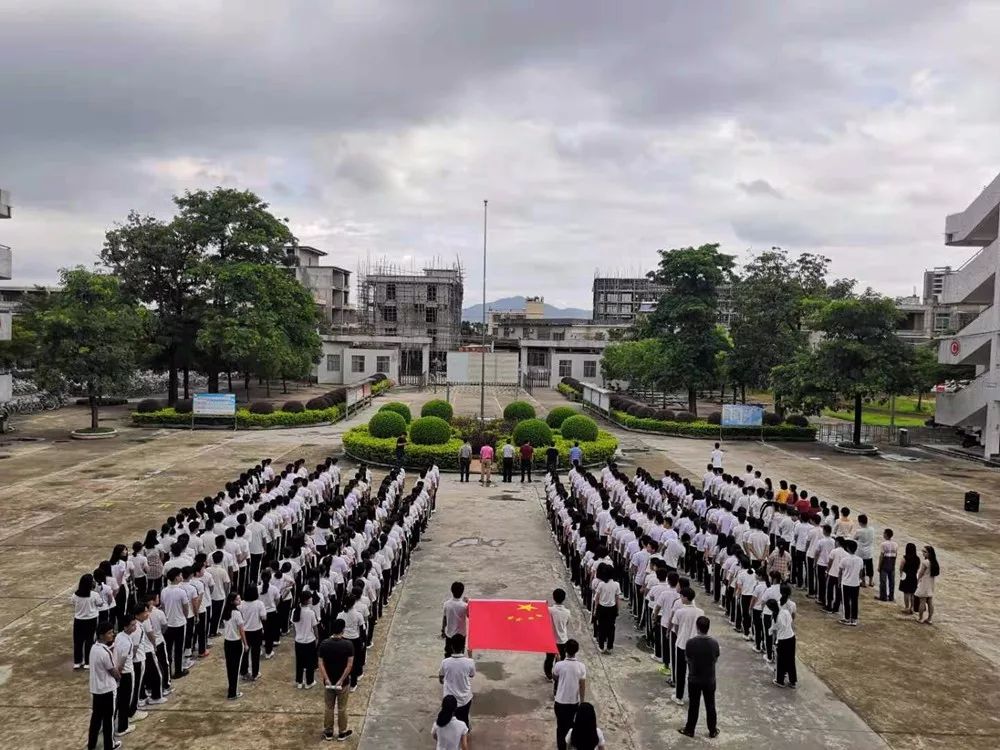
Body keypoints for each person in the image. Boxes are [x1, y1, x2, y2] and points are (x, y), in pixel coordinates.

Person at [678, 616, 720, 739]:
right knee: (710, 705)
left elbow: (687, 659)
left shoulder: (690, 643)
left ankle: (690, 729)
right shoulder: (714, 643)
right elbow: (715, 659)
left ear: (697, 627)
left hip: (694, 678)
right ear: (708, 628)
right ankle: (712, 730)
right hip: (709, 679)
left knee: (694, 705)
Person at [318, 618, 355, 742]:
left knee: (329, 707)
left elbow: (321, 664)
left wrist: (327, 679)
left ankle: (328, 732)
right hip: (342, 683)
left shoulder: (324, 644)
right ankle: (342, 732)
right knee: (342, 708)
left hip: (329, 682)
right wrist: (341, 680)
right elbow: (349, 665)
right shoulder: (348, 645)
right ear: (343, 630)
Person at [87, 621, 120, 750]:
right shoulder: (105, 653)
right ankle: (109, 745)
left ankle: (92, 745)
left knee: (95, 720)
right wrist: (119, 677)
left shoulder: (94, 648)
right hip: (107, 690)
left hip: (96, 689)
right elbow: (113, 671)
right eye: (109, 633)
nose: (112, 635)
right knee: (108, 719)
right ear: (101, 635)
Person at [552, 638, 586, 750]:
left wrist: (557, 661)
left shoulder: (559, 665)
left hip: (560, 701)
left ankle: (561, 747)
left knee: (560, 727)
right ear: (577, 650)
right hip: (573, 702)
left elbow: (555, 677)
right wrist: (582, 702)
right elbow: (582, 685)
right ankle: (570, 745)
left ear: (565, 650)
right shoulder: (581, 667)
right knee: (571, 725)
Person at [439, 634, 476, 731]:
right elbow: (472, 675)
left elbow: (441, 678)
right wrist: (470, 656)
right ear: (463, 647)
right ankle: (465, 735)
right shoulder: (469, 662)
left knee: (450, 723)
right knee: (464, 721)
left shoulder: (445, 662)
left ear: (451, 646)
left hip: (449, 700)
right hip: (465, 699)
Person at [72, 573, 103, 669]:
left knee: (78, 641)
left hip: (79, 620)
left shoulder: (75, 595)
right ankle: (87, 662)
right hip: (91, 620)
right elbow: (100, 604)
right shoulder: (94, 595)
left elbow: (73, 603)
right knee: (89, 640)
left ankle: (77, 662)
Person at [220, 592, 247, 700]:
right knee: (235, 668)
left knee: (230, 667)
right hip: (236, 642)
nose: (239, 600)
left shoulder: (226, 612)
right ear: (232, 601)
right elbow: (241, 630)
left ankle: (231, 689)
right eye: (237, 599)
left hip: (227, 642)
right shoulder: (236, 613)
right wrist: (245, 644)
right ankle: (233, 692)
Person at [591, 563, 622, 654]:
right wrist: (617, 609)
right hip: (612, 608)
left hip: (602, 608)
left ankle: (601, 646)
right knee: (611, 628)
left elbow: (597, 598)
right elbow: (617, 598)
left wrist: (596, 610)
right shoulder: (616, 584)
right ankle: (609, 646)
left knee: (601, 627)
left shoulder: (601, 584)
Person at [292, 590, 319, 688]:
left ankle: (299, 681)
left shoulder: (295, 611)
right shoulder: (310, 613)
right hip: (309, 641)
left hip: (298, 641)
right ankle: (309, 682)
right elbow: (315, 627)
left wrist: (296, 637)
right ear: (307, 600)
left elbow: (294, 627)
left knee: (299, 662)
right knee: (309, 663)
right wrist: (317, 638)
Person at [767, 599, 797, 688]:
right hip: (791, 637)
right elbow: (791, 621)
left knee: (780, 661)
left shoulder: (775, 618)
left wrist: (775, 642)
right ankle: (793, 681)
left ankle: (780, 680)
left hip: (782, 640)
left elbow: (773, 632)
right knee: (791, 660)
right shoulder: (785, 612)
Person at [544, 588, 571, 680]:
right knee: (561, 659)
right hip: (563, 640)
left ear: (553, 597)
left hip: (551, 640)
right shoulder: (567, 612)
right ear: (564, 598)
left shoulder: (549, 610)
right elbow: (567, 623)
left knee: (549, 658)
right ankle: (558, 675)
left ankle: (549, 675)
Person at [441, 581, 469, 657]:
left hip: (450, 634)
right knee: (460, 654)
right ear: (462, 592)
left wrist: (443, 630)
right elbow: (469, 616)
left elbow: (445, 618)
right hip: (461, 634)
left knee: (448, 654)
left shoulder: (447, 604)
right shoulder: (465, 605)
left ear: (451, 591)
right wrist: (468, 603)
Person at [839, 539, 863, 626]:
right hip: (855, 583)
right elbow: (860, 572)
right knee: (854, 601)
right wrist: (859, 580)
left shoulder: (844, 559)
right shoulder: (860, 560)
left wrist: (839, 581)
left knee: (846, 601)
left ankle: (847, 618)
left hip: (846, 583)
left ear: (848, 548)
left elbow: (840, 572)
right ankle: (854, 619)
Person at [914, 545, 940, 625]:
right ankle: (929, 619)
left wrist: (917, 581)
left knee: (922, 601)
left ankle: (921, 618)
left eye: (925, 552)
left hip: (924, 583)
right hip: (931, 583)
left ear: (929, 553)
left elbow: (920, 573)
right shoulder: (934, 562)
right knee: (930, 602)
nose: (923, 553)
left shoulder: (925, 562)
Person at [876, 529, 898, 602]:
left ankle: (883, 596)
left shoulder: (883, 544)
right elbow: (896, 555)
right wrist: (894, 564)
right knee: (892, 581)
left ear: (886, 534)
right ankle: (891, 596)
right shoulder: (895, 544)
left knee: (883, 581)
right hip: (892, 562)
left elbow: (881, 556)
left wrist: (879, 566)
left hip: (885, 562)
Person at [898, 542, 920, 615]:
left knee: (906, 593)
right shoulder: (917, 559)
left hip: (906, 576)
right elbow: (918, 568)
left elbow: (901, 568)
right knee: (912, 593)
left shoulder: (905, 558)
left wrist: (901, 574)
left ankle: (906, 607)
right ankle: (912, 608)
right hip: (913, 576)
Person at [854, 514, 875, 587]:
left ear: (860, 522)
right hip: (869, 551)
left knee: (862, 567)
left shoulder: (859, 531)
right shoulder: (872, 529)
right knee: (870, 567)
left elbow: (855, 538)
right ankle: (871, 581)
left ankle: (863, 581)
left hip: (861, 552)